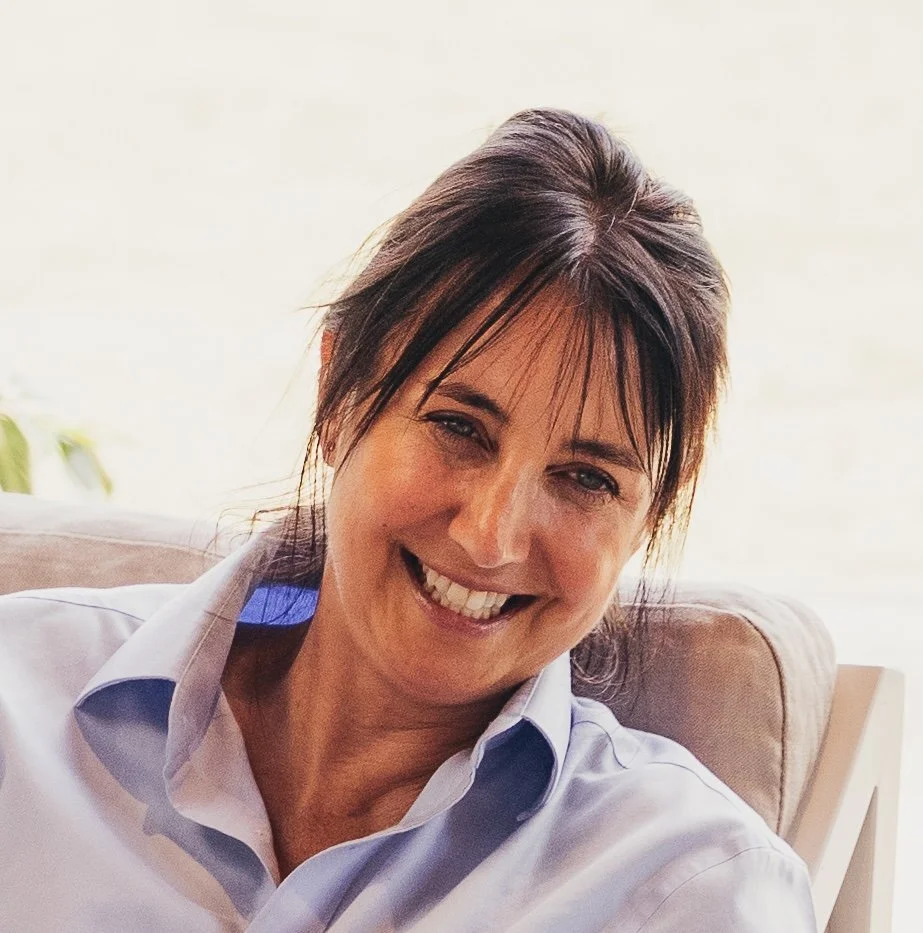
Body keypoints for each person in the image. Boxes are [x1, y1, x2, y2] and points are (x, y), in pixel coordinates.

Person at [0, 109, 817, 931]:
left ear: (648, 517)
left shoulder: (692, 887)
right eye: (459, 427)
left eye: (583, 478)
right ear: (339, 395)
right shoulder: (16, 699)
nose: (489, 536)